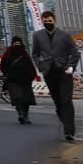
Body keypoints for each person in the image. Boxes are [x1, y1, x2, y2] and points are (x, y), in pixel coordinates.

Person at [31, 10, 77, 142]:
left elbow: (74, 53)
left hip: (64, 71)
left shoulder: (64, 35)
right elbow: (35, 53)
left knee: (66, 101)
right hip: (49, 72)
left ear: (54, 20)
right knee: (58, 102)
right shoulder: (37, 36)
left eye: (50, 21)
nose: (48, 23)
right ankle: (66, 123)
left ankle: (69, 131)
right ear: (42, 22)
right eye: (45, 22)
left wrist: (71, 67)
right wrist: (40, 66)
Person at [0, 36, 39, 124]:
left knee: (27, 99)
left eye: (19, 43)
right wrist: (8, 74)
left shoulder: (24, 53)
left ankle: (26, 115)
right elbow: (3, 66)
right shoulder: (8, 54)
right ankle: (21, 114)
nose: (17, 45)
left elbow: (30, 66)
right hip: (13, 80)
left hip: (25, 80)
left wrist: (32, 76)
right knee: (18, 97)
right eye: (15, 43)